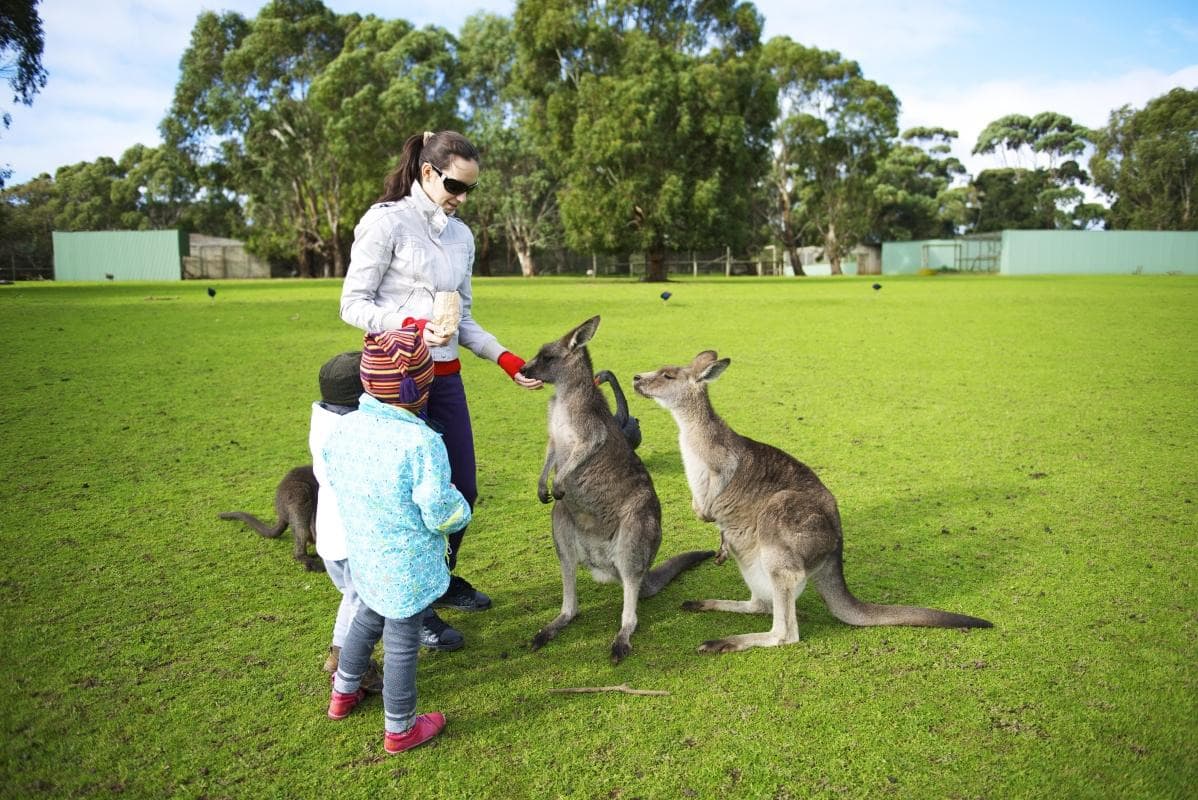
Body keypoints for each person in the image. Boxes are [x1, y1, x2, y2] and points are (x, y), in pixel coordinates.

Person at [339, 129, 542, 650]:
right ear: (428, 173)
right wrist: (409, 323)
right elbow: (353, 303)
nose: (461, 197)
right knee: (411, 502)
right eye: (455, 184)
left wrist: (506, 359)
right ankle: (417, 607)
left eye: (470, 189)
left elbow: (464, 316)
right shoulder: (385, 222)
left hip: (445, 376)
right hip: (398, 379)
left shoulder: (461, 236)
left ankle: (439, 579)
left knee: (462, 492)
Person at [323, 325, 471, 754]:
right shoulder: (421, 441)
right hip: (405, 566)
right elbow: (438, 509)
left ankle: (343, 693)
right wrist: (461, 511)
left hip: (365, 553)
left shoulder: (345, 429)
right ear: (422, 385)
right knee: (402, 641)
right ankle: (400, 728)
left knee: (366, 617)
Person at [309, 351, 381, 690]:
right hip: (354, 536)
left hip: (329, 536)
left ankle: (340, 655)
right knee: (363, 604)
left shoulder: (322, 421)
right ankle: (352, 666)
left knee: (352, 596)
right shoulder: (353, 433)